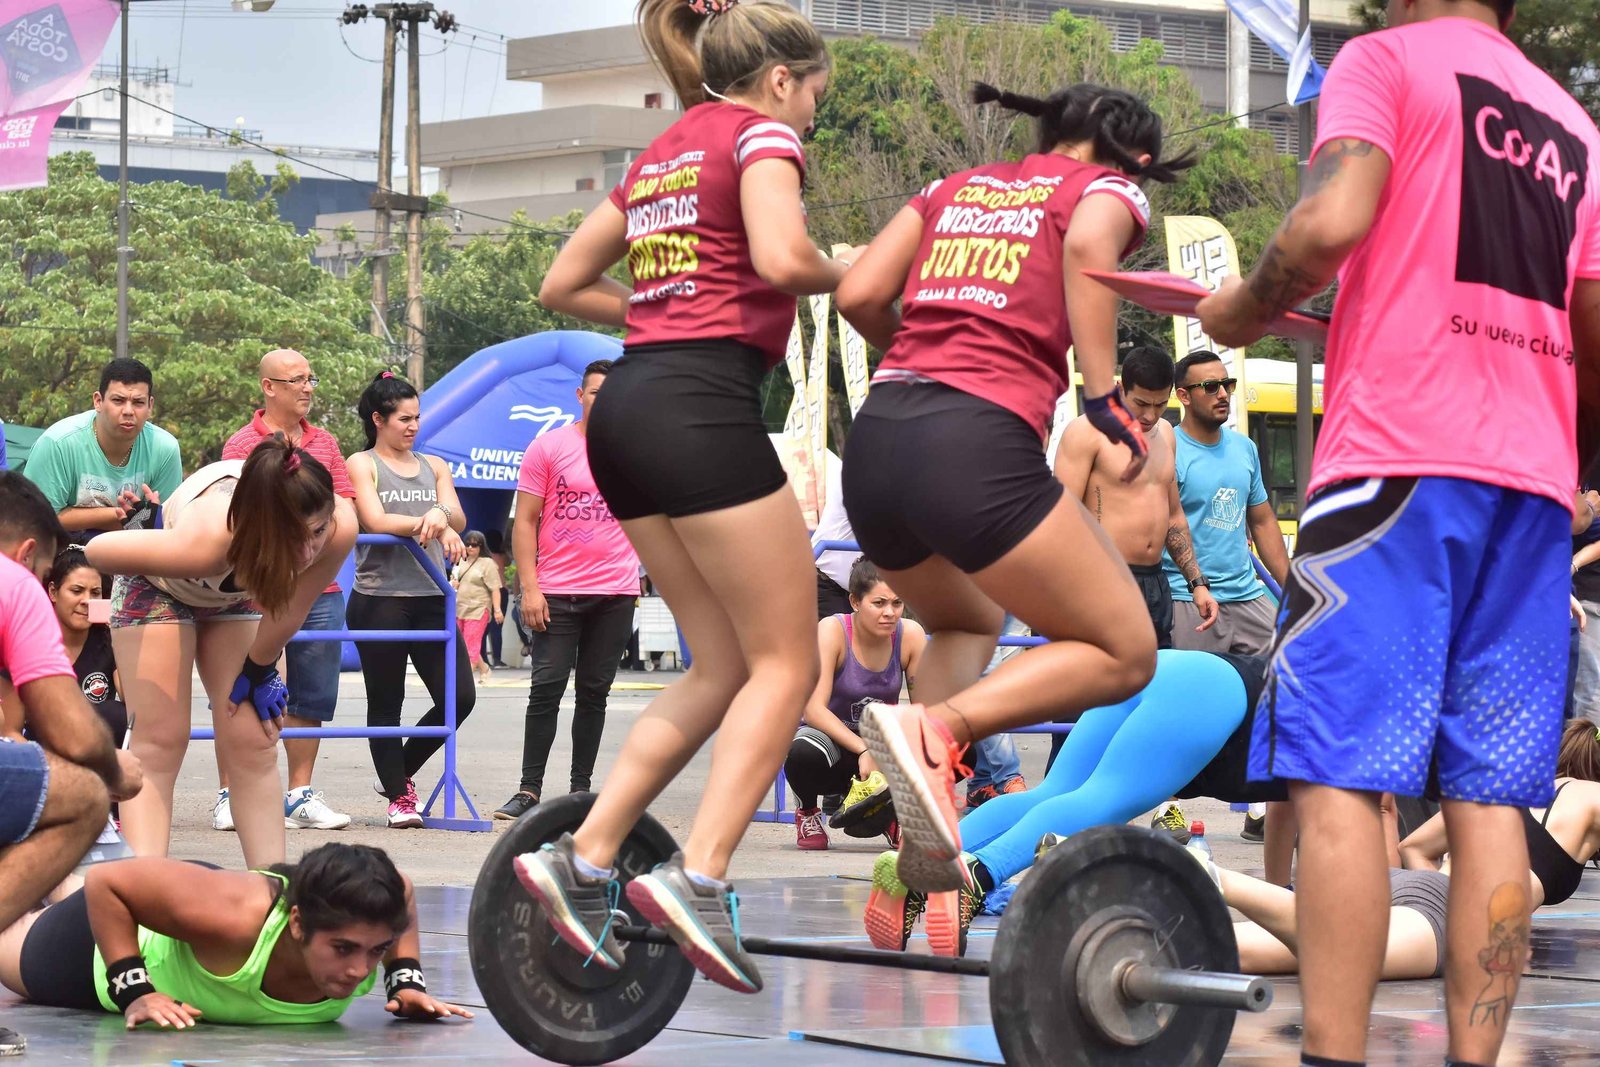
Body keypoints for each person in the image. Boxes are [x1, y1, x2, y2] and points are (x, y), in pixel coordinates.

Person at [1195, 1, 1600, 1062]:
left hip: (1398, 459)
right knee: (1492, 798)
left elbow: (1328, 223)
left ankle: (1333, 1055)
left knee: (1339, 772)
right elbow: (1593, 325)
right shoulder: (1574, 124)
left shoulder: (1385, 61)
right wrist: (1563, 461)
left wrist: (1240, 310)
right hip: (1530, 487)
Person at [517, 0, 864, 996]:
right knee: (786, 659)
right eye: (814, 98)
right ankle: (699, 875)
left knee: (722, 664)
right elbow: (785, 262)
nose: (812, 119)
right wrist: (868, 266)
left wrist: (662, 309)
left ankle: (584, 856)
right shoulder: (762, 136)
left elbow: (560, 281)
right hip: (701, 407)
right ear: (782, 80)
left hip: (627, 410)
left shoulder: (663, 152)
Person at [833, 80, 1193, 895]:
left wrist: (924, 360)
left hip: (879, 439)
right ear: (1133, 156)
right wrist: (1098, 394)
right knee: (1127, 650)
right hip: (974, 443)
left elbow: (857, 293)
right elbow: (1087, 245)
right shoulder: (1104, 190)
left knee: (965, 620)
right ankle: (935, 728)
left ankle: (929, 819)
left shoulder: (951, 187)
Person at [863, 648, 1282, 956]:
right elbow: (1293, 813)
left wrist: (1280, 892)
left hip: (1165, 668)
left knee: (1054, 792)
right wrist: (1282, 896)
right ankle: (977, 874)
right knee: (1103, 799)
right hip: (1212, 694)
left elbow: (1287, 810)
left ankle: (913, 864)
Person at [85, 437, 356, 870]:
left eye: (317, 532)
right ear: (261, 526)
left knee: (253, 739)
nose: (308, 552)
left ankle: (271, 886)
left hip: (237, 592)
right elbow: (97, 551)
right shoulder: (209, 540)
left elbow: (292, 606)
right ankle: (144, 887)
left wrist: (260, 669)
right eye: (293, 538)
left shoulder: (340, 527)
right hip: (158, 584)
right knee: (160, 740)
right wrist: (144, 528)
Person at [1203, 719, 1600, 981]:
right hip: (1447, 910)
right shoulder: (1591, 797)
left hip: (1407, 888)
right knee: (1341, 953)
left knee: (1221, 950)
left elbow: (1414, 847)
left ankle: (1176, 902)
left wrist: (1432, 893)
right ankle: (1213, 876)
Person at [0, 842, 472, 1027]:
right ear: (297, 923)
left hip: (196, 910)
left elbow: (403, 889)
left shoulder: (373, 915)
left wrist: (405, 979)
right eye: (343, 949)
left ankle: (52, 872)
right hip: (101, 945)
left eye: (377, 951)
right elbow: (108, 882)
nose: (358, 970)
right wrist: (134, 990)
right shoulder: (237, 916)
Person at [0, 473, 144, 1056]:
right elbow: (69, 730)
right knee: (82, 794)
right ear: (29, 554)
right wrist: (114, 771)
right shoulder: (15, 582)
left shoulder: (101, 636)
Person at [219, 347, 356, 833]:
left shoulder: (327, 442)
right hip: (258, 588)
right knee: (242, 690)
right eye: (296, 379)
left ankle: (300, 793)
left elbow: (343, 504)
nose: (307, 388)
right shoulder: (241, 444)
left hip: (320, 587)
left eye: (310, 378)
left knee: (311, 695)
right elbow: (236, 513)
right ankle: (230, 793)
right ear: (268, 387)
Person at [496, 360, 641, 821]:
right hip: (557, 591)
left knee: (594, 693)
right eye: (596, 392)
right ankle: (528, 790)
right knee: (546, 688)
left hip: (615, 592)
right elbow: (525, 521)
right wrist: (530, 588)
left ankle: (581, 791)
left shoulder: (635, 450)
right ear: (580, 396)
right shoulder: (549, 446)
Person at [346, 372, 475, 831]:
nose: (413, 426)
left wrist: (441, 514)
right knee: (387, 703)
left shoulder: (434, 465)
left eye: (417, 417)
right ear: (378, 420)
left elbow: (457, 515)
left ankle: (395, 772)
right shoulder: (362, 463)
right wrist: (434, 522)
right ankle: (400, 797)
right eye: (404, 418)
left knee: (460, 698)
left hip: (432, 596)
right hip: (379, 598)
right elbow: (376, 520)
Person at [1058, 347, 1218, 652]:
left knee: (1158, 673)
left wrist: (1197, 583)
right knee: (1101, 676)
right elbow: (1060, 518)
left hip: (1155, 582)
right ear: (1120, 388)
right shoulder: (1087, 432)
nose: (1150, 415)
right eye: (1141, 403)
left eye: (1160, 404)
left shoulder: (1166, 434)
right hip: (1102, 578)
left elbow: (1173, 516)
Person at [784, 558, 926, 850]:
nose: (889, 612)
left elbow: (925, 712)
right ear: (855, 601)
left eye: (897, 603)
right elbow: (813, 709)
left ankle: (893, 812)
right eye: (879, 603)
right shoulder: (832, 630)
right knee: (802, 752)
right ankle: (807, 812)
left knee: (955, 747)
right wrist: (864, 749)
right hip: (834, 744)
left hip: (880, 742)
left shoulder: (910, 634)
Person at [1162, 351, 1287, 655]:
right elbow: (1165, 525)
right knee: (1199, 684)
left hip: (1247, 594)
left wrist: (1293, 589)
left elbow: (1262, 521)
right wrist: (1195, 587)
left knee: (1287, 668)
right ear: (1184, 396)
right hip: (1189, 598)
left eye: (1227, 384)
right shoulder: (1168, 449)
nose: (1222, 394)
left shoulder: (1244, 448)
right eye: (1210, 387)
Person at [23, 358, 182, 537]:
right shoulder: (57, 443)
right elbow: (34, 520)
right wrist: (123, 515)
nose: (128, 411)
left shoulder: (165, 449)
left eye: (138, 402)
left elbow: (167, 524)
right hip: (61, 548)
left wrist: (146, 520)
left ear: (150, 406)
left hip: (133, 549)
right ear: (98, 401)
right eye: (118, 400)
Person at [45, 547, 127, 747]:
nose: (86, 601)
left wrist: (121, 635)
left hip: (99, 751)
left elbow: (133, 700)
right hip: (45, 747)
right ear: (53, 592)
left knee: (115, 713)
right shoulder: (33, 639)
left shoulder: (109, 639)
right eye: (77, 591)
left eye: (95, 593)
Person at [452, 531, 504, 686]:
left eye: (474, 545)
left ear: (481, 546)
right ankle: (484, 669)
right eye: (467, 544)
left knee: (471, 644)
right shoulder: (460, 561)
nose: (470, 547)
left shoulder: (488, 563)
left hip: (479, 608)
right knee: (464, 644)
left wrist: (497, 610)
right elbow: (454, 581)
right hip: (460, 608)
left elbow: (495, 588)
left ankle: (463, 681)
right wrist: (454, 584)